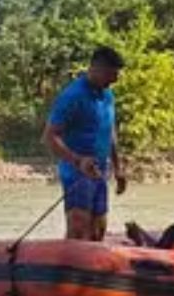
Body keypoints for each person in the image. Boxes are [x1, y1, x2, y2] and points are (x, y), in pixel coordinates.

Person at [42, 46, 128, 241]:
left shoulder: (108, 95)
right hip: (77, 172)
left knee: (98, 230)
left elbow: (109, 130)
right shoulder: (72, 96)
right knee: (79, 228)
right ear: (96, 68)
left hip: (100, 170)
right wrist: (78, 160)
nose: (115, 80)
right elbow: (49, 136)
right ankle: (66, 268)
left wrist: (118, 168)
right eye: (111, 74)